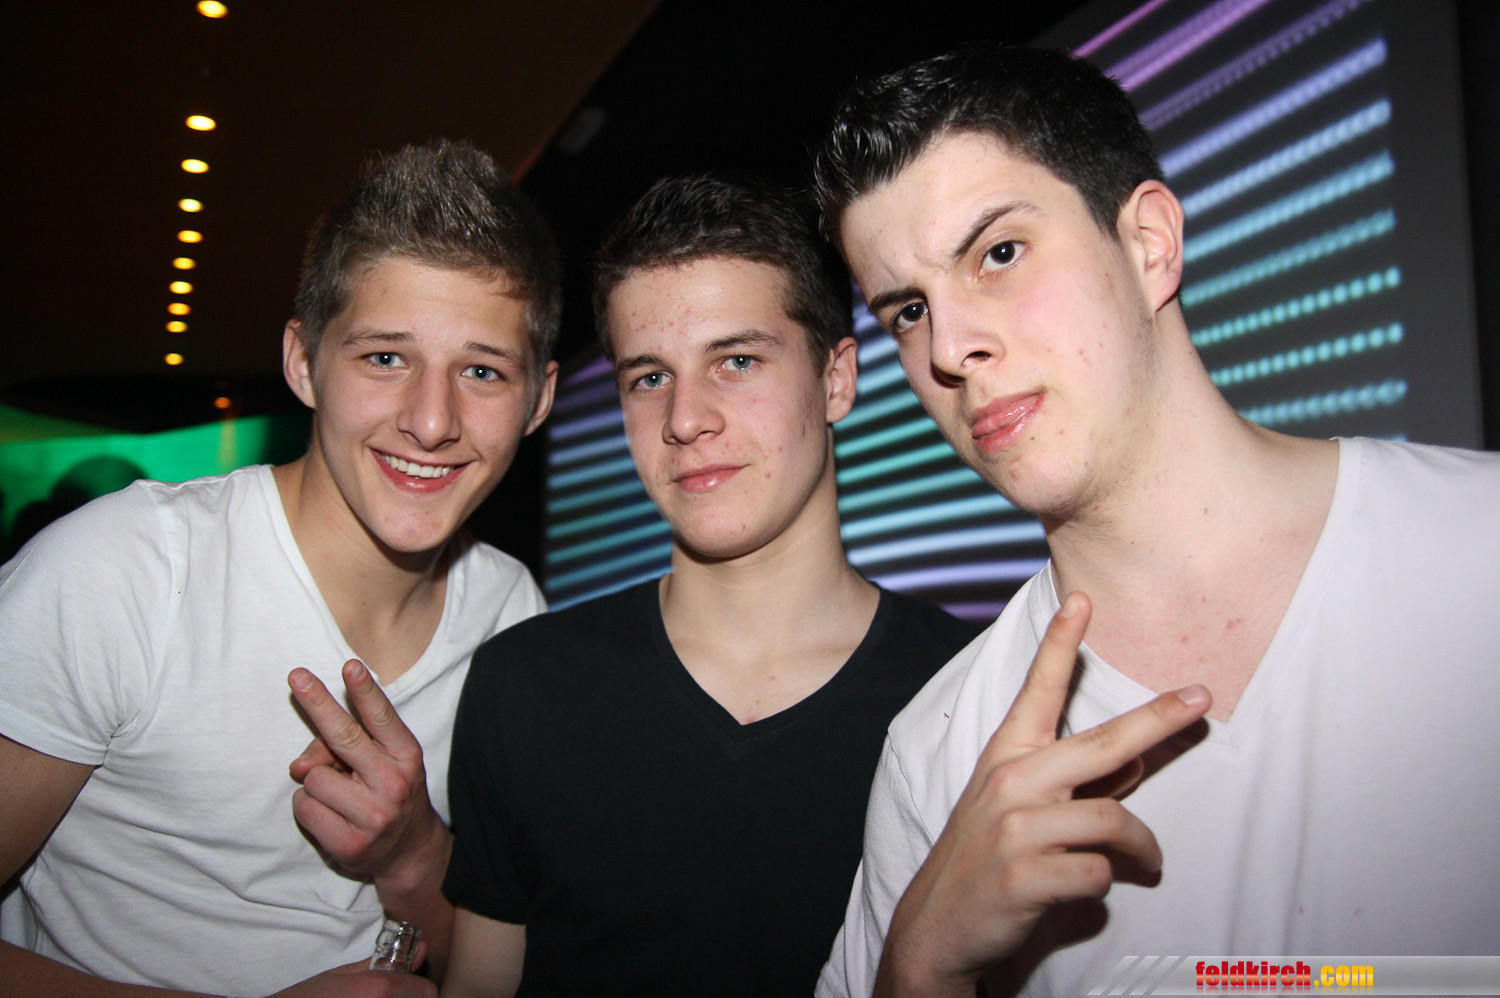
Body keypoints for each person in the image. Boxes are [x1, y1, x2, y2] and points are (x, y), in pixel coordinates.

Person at [810, 46, 1500, 998]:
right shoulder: (940, 751)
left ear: (1148, 244)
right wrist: (921, 965)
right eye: (909, 311)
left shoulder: (1481, 547)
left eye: (999, 254)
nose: (950, 347)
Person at [0, 140, 560, 998]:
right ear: (303, 363)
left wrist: (415, 853)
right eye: (385, 358)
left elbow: (489, 966)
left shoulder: (511, 612)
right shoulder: (127, 572)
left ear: (539, 400)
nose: (431, 420)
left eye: (482, 371)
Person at [438, 174, 979, 998]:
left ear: (836, 379)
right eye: (650, 378)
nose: (685, 419)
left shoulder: (969, 694)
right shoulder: (523, 686)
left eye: (736, 361)